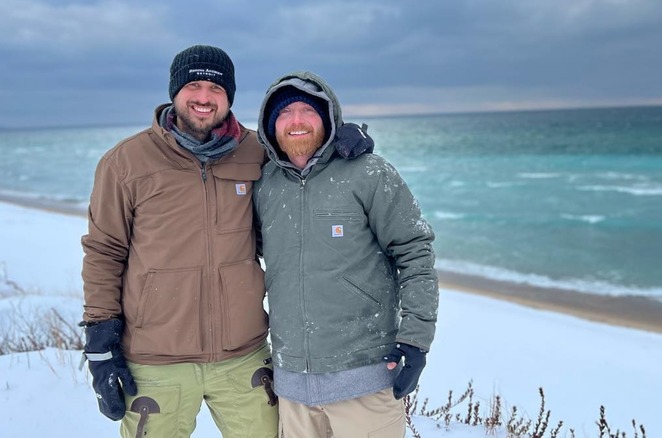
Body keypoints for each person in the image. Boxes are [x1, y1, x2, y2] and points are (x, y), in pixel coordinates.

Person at [81, 45, 277, 438]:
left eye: (216, 89)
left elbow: (307, 167)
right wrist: (100, 339)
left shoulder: (259, 153)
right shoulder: (125, 163)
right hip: (155, 361)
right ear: (175, 91)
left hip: (244, 355)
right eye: (194, 85)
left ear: (230, 96)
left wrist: (341, 147)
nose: (204, 98)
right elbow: (104, 252)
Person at [252, 71, 439, 437]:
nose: (296, 121)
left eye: (307, 110)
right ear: (270, 127)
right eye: (285, 113)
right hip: (292, 387)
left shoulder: (369, 173)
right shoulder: (265, 185)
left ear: (328, 118)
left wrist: (416, 340)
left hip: (365, 379)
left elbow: (415, 251)